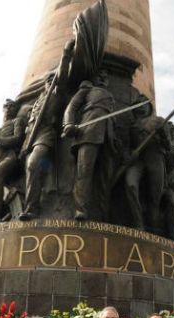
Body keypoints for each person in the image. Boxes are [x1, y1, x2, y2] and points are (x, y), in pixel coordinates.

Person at [19, 39, 74, 221]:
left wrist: (65, 52)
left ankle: (32, 208)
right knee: (28, 169)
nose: (50, 82)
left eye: (53, 80)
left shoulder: (56, 93)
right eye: (48, 80)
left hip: (46, 135)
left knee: (34, 164)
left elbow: (63, 74)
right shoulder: (37, 101)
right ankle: (30, 206)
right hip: (30, 138)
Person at [62, 69, 116, 221]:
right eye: (100, 76)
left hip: (108, 135)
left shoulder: (110, 96)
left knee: (105, 177)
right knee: (84, 172)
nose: (103, 78)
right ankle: (81, 210)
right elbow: (71, 107)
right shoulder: (87, 89)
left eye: (105, 76)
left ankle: (103, 213)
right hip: (89, 131)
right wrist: (68, 124)